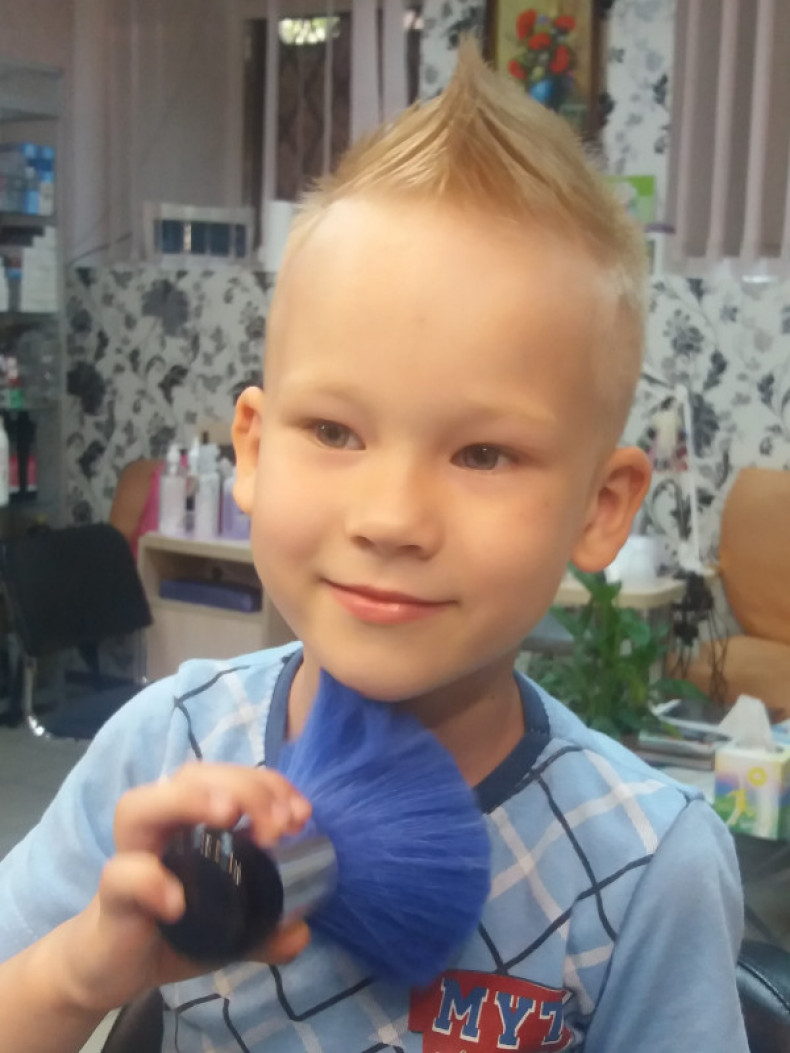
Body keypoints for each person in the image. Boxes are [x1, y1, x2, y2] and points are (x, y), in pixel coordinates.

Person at [0, 40, 748, 1053]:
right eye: (335, 431)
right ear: (253, 449)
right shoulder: (166, 750)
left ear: (599, 507)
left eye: (483, 453)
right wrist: (77, 969)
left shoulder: (643, 865)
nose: (391, 517)